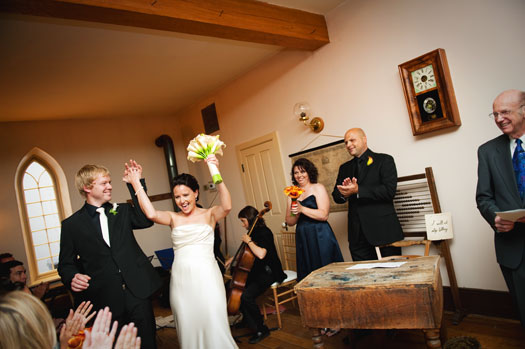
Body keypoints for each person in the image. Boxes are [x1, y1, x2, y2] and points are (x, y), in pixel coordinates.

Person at [124, 156, 238, 348]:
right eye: (177, 197)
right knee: (188, 326)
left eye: (186, 195)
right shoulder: (172, 218)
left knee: (214, 323)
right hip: (181, 281)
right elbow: (150, 214)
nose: (182, 201)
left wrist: (214, 170)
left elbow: (227, 205)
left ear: (195, 193)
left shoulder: (210, 214)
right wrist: (136, 183)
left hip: (208, 278)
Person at [58, 164, 162, 349]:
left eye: (110, 182)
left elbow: (145, 219)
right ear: (87, 187)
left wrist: (136, 183)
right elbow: (66, 263)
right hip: (104, 298)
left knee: (147, 343)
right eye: (104, 183)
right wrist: (72, 276)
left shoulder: (121, 211)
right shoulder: (71, 225)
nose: (110, 186)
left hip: (136, 291)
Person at [476, 89, 525, 326]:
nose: (498, 119)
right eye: (494, 114)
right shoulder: (487, 151)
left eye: (504, 112)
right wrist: (496, 218)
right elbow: (483, 198)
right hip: (513, 249)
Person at [332, 128, 404, 261]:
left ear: (364, 139)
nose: (348, 145)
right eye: (346, 142)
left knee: (393, 277)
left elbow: (389, 191)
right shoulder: (345, 168)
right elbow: (336, 196)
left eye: (352, 140)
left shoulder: (384, 160)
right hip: (357, 236)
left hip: (384, 231)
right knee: (364, 276)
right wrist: (345, 193)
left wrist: (359, 190)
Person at [225, 205, 287, 344]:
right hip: (257, 270)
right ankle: (248, 320)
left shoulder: (264, 232)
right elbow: (247, 252)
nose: (242, 225)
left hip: (269, 271)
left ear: (250, 219)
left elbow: (260, 253)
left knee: (246, 295)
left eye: (243, 221)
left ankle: (261, 329)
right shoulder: (252, 232)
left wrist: (249, 241)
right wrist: (233, 258)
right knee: (231, 286)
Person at [286, 158, 344, 282]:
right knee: (308, 271)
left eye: (302, 171)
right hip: (303, 236)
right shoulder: (292, 193)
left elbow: (324, 215)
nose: (299, 175)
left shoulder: (318, 188)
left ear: (309, 172)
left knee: (326, 269)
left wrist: (302, 209)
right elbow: (290, 222)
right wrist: (294, 210)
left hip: (320, 234)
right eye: (296, 173)